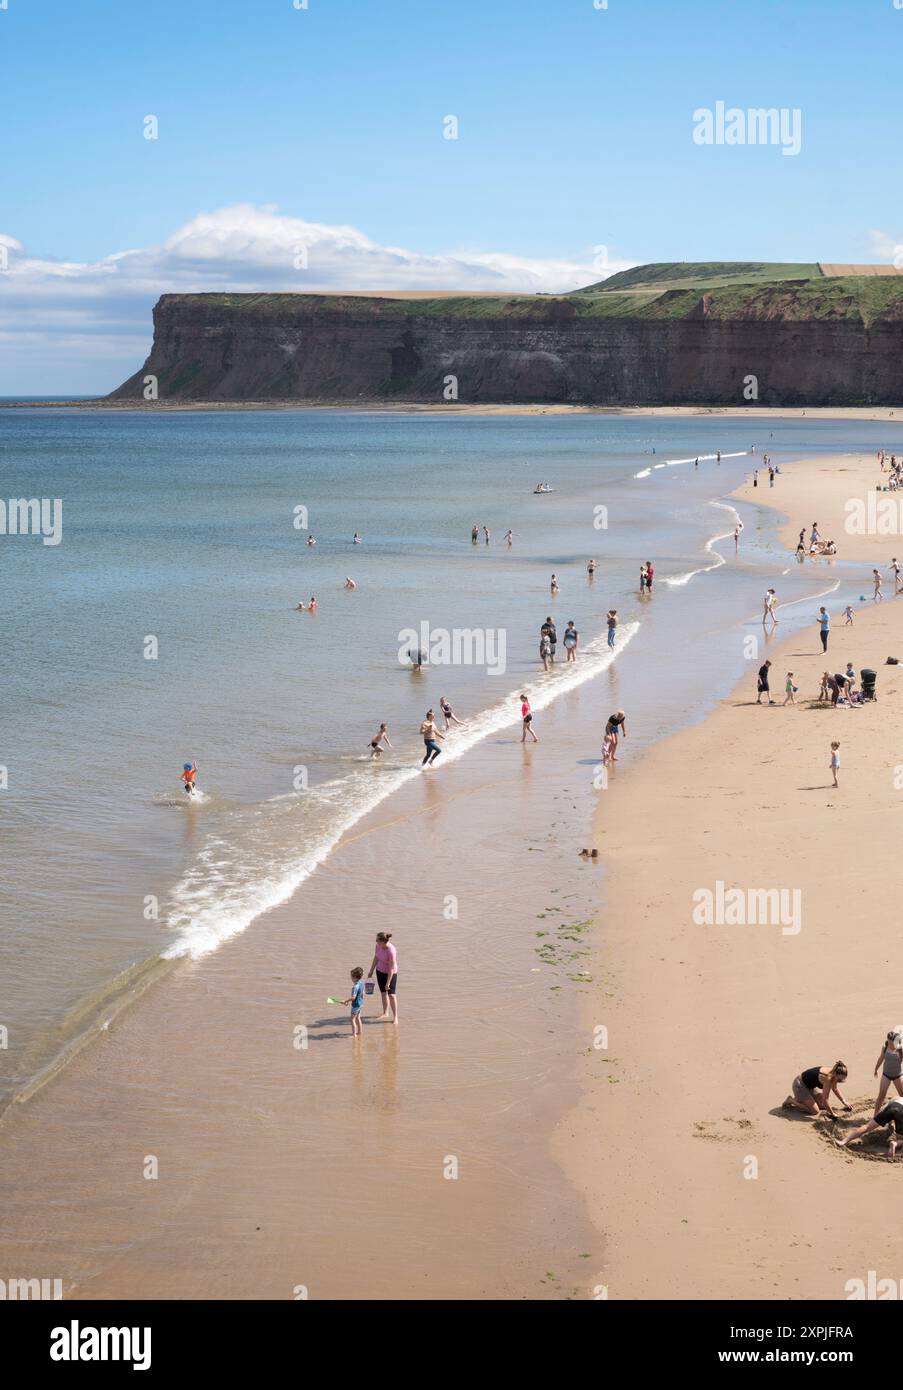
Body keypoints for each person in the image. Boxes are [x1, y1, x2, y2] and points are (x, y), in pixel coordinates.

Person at [835, 1097, 903, 1157]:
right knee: (901, 1138)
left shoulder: (897, 1097)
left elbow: (887, 1108)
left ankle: (843, 1141)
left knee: (866, 1127)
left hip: (892, 1106)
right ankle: (895, 1143)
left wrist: (887, 1122)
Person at [782, 1061, 850, 1118]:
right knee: (815, 1111)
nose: (840, 1081)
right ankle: (791, 1100)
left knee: (822, 1106)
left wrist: (844, 1101)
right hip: (799, 1085)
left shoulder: (834, 1074)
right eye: (839, 1079)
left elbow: (835, 1088)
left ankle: (802, 1099)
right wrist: (832, 1114)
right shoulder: (828, 1079)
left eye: (842, 1079)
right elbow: (825, 1100)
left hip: (810, 1087)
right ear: (835, 1073)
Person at [368, 932, 398, 1023]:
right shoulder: (378, 946)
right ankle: (385, 1012)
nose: (376, 941)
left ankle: (395, 1017)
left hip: (391, 973)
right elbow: (376, 957)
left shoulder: (391, 951)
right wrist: (371, 970)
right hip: (380, 971)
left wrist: (388, 983)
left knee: (391, 995)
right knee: (383, 993)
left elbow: (391, 969)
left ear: (383, 941)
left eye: (377, 940)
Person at [871, 1029, 903, 1115]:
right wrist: (876, 1069)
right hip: (886, 1075)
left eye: (891, 1043)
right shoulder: (885, 1047)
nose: (889, 1044)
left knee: (902, 1095)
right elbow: (881, 1058)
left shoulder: (900, 1049)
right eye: (888, 1042)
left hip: (898, 1075)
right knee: (881, 1096)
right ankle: (875, 1115)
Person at [340, 967, 365, 1038]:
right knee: (358, 1018)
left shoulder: (355, 987)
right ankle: (360, 1032)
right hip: (360, 1004)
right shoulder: (361, 983)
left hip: (355, 1005)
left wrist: (345, 1001)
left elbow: (353, 998)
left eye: (351, 977)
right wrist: (362, 1002)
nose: (351, 978)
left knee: (352, 1019)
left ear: (355, 977)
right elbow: (363, 994)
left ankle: (354, 1035)